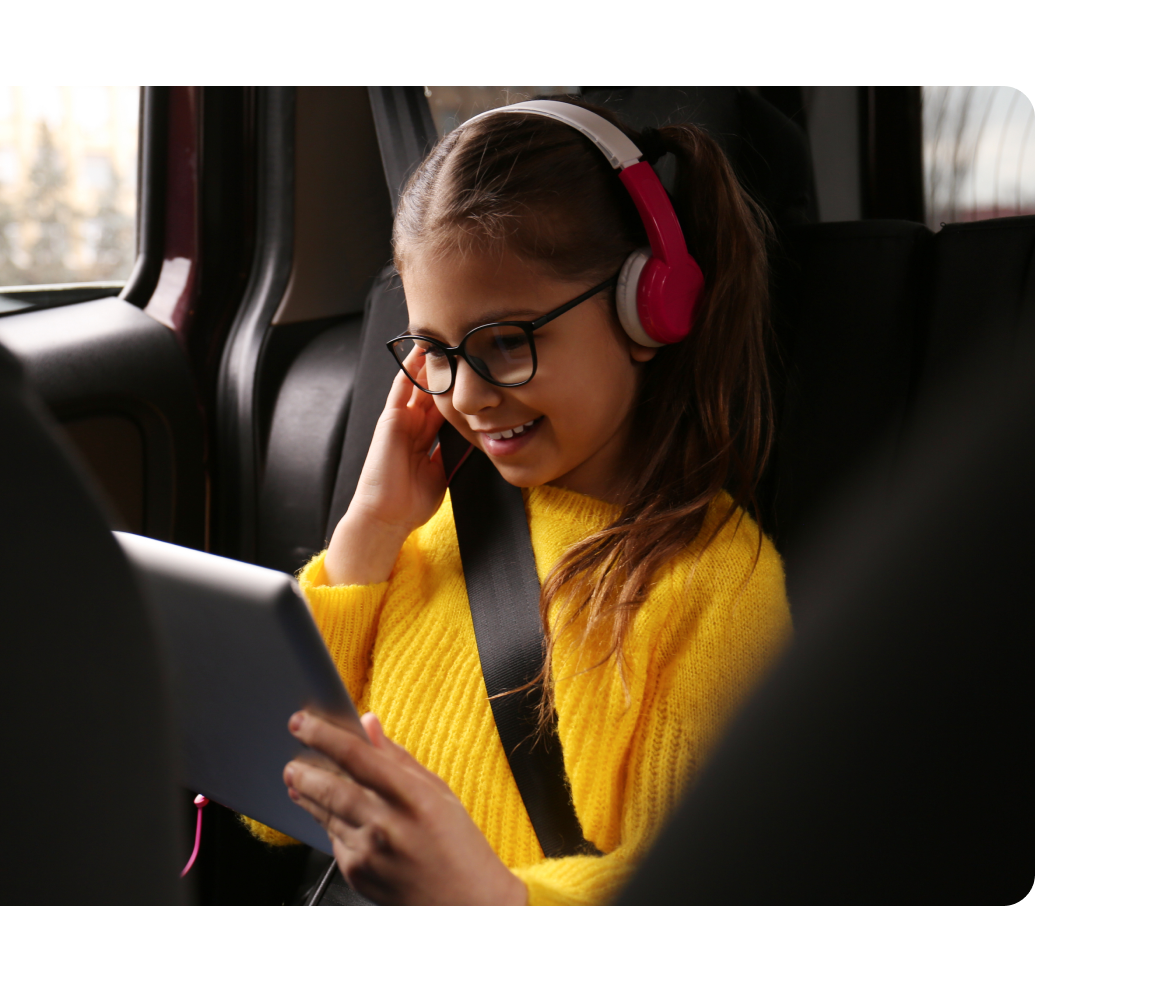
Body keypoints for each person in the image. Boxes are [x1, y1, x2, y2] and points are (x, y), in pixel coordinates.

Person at [250, 97, 791, 905]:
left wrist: (492, 902)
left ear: (651, 304)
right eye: (434, 351)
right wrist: (369, 531)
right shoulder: (422, 536)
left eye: (506, 341)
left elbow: (698, 885)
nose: (465, 395)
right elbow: (272, 792)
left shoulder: (715, 590)